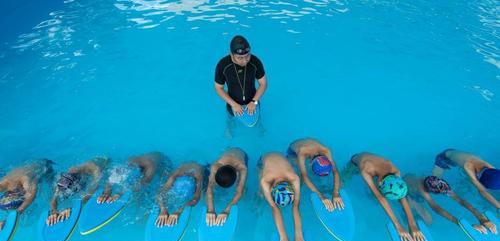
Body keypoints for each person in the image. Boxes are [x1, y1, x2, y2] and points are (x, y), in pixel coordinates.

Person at [344, 152, 425, 241]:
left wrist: (412, 224)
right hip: (355, 162)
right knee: (345, 178)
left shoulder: (396, 171)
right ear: (379, 183)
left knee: (388, 192)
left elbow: (402, 196)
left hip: (375, 164)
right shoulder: (365, 169)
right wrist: (397, 225)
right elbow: (380, 197)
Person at [404, 174, 497, 235]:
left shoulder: (440, 183)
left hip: (415, 185)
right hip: (408, 193)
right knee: (428, 221)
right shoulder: (422, 190)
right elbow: (437, 208)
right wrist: (460, 223)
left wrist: (481, 218)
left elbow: (460, 200)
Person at [214, 35, 268, 136]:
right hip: (232, 103)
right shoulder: (223, 65)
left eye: (247, 56)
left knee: (258, 120)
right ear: (231, 55)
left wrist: (254, 101)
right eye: (240, 58)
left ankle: (260, 127)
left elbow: (263, 83)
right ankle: (229, 129)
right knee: (230, 119)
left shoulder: (255, 62)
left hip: (253, 102)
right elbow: (218, 88)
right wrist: (234, 104)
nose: (245, 60)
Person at [46, 156, 108, 226]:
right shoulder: (63, 179)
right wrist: (54, 212)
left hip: (104, 164)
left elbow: (90, 192)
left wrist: (73, 208)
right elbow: (53, 199)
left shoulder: (94, 169)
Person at [287, 138, 343, 211]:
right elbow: (304, 176)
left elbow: (335, 171)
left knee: (326, 175)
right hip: (292, 152)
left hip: (310, 144)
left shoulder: (326, 150)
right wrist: (320, 196)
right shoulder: (302, 152)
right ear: (310, 164)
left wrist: (336, 192)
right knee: (299, 177)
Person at [432, 149, 499, 209]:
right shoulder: (469, 168)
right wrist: (498, 206)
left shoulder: (491, 169)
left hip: (457, 156)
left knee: (467, 181)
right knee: (435, 183)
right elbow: (483, 192)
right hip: (443, 159)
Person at [259, 153, 303, 241]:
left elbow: (296, 204)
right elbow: (274, 207)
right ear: (272, 189)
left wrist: (299, 235)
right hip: (263, 159)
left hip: (282, 157)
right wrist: (283, 236)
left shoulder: (294, 178)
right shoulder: (265, 180)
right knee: (261, 193)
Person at [0, 159, 54, 230]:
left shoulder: (25, 180)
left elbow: (31, 194)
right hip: (27, 167)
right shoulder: (3, 183)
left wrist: (18, 212)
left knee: (52, 189)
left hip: (45, 167)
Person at [98, 152, 168, 204]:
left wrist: (120, 193)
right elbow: (114, 176)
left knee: (145, 189)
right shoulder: (130, 161)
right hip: (149, 157)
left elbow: (143, 183)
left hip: (163, 162)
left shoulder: (151, 166)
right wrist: (107, 191)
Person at [205, 147, 248, 226]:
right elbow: (209, 187)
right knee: (211, 182)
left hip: (242, 154)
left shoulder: (242, 168)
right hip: (227, 152)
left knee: (244, 189)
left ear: (236, 174)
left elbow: (240, 192)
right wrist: (210, 209)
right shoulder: (215, 165)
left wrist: (227, 210)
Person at [155, 162, 205, 227]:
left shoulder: (198, 177)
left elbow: (196, 198)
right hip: (185, 168)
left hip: (201, 168)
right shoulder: (174, 176)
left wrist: (178, 212)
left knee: (203, 193)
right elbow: (160, 193)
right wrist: (163, 209)